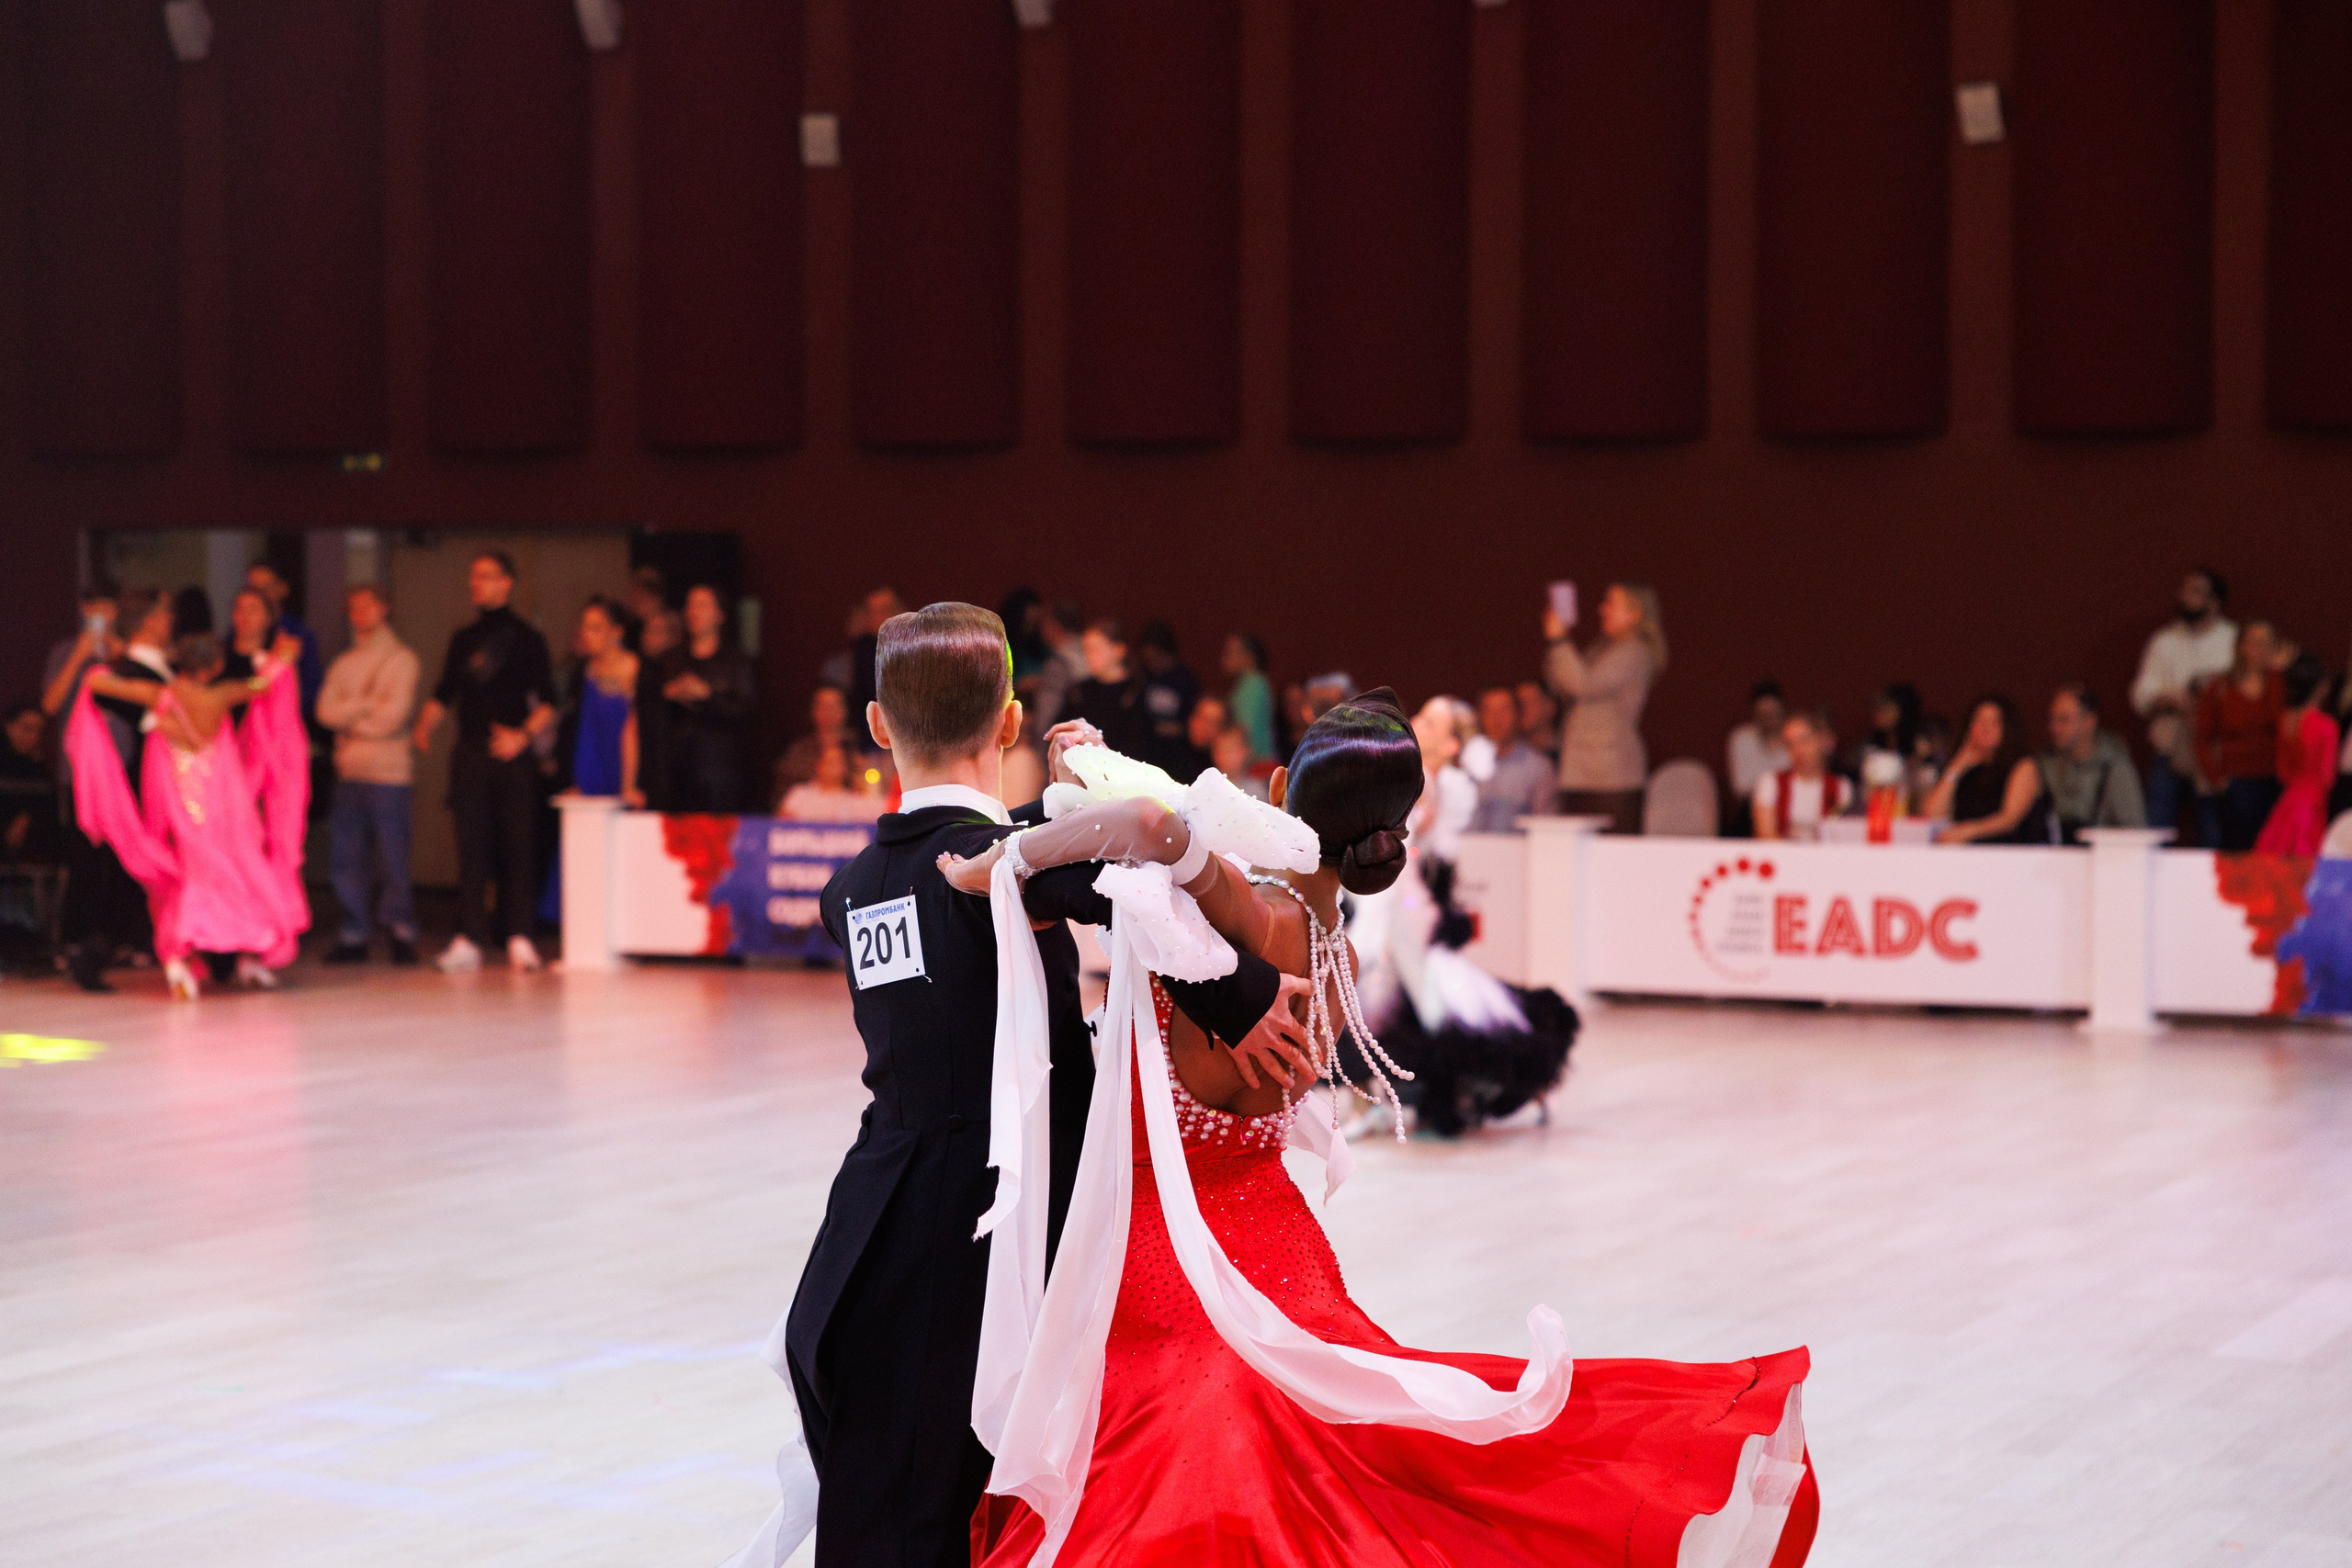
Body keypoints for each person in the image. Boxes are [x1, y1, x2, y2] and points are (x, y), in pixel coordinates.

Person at [944, 691, 1812, 1566]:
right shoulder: (1335, 950)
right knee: (1349, 1470)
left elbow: (1144, 820)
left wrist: (997, 863)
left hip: (1175, 1261)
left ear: (1277, 788)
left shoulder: (1254, 918)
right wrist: (1084, 769)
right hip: (1279, 1243)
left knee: (1187, 1493)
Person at [734, 604, 1309, 1568]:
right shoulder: (1005, 863)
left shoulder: (848, 892)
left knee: (877, 1509)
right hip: (978, 1242)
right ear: (1007, 724)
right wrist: (1247, 998)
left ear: (877, 725)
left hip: (861, 1228)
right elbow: (1145, 870)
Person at [71, 629, 310, 999]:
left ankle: (178, 960)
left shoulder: (159, 695)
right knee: (236, 869)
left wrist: (96, 670)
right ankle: (248, 955)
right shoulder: (222, 695)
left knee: (188, 875)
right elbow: (264, 683)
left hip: (178, 803)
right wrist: (284, 659)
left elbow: (106, 686)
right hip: (222, 803)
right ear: (214, 667)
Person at [413, 550, 557, 974]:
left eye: (487, 576)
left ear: (507, 583)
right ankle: (469, 936)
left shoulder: (529, 639)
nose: (477, 584)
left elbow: (548, 701)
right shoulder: (463, 639)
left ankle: (520, 937)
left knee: (518, 846)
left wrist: (522, 737)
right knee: (471, 846)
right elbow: (445, 692)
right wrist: (425, 725)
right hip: (471, 752)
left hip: (512, 754)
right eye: (474, 576)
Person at [41, 587, 167, 991]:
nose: (99, 614)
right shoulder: (67, 651)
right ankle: (77, 943)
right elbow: (50, 705)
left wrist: (117, 657)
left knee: (125, 859)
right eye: (91, 607)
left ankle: (121, 941)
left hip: (125, 772)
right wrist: (81, 655)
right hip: (79, 774)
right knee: (85, 859)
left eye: (106, 607)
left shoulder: (125, 656)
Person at [315, 584, 422, 965]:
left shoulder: (401, 659)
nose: (359, 613)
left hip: (389, 773)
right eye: (353, 607)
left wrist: (350, 724)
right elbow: (325, 712)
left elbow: (394, 716)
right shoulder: (343, 663)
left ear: (383, 608)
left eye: (367, 606)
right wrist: (364, 707)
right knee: (347, 856)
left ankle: (400, 931)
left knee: (393, 856)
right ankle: (354, 932)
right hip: (350, 772)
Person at [537, 597, 639, 926]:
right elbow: (584, 729)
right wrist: (578, 777)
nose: (587, 634)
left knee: (623, 856)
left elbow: (631, 730)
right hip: (592, 770)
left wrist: (629, 784)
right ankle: (584, 927)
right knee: (583, 852)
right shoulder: (586, 671)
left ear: (616, 632)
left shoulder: (633, 668)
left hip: (621, 769)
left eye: (596, 627)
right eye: (585, 627)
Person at [1544, 581, 1666, 835]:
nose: (1602, 610)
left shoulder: (1634, 652)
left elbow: (1584, 685)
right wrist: (1559, 645)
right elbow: (1562, 686)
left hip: (1610, 780)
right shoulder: (1602, 650)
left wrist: (1559, 641)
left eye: (1611, 604)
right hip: (1581, 773)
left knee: (1612, 859)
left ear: (1634, 614)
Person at [2131, 569, 2237, 843]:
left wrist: (2208, 697)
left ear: (2214, 603)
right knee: (2156, 828)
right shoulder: (2164, 642)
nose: (2186, 597)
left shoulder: (2232, 640)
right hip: (2170, 747)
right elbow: (2141, 696)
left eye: (2196, 591)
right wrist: (2170, 699)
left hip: (2215, 751)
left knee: (2211, 830)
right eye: (2185, 590)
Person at [656, 583, 755, 811]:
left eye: (702, 605)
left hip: (720, 773)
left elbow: (744, 710)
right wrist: (668, 694)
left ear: (719, 614)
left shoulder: (735, 661)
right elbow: (651, 711)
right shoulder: (671, 660)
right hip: (677, 770)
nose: (694, 612)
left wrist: (707, 695)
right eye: (690, 605)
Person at [2196, 620, 2287, 852]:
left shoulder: (2281, 683)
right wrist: (2217, 779)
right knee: (2238, 850)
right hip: (2236, 783)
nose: (2261, 650)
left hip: (2275, 780)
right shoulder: (2221, 687)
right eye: (2255, 643)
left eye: (2267, 643)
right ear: (2241, 647)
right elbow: (2202, 737)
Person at [2023, 684, 2146, 844]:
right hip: (2055, 860)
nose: (2055, 728)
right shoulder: (2047, 764)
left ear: (2089, 721)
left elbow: (2135, 830)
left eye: (2064, 719)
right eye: (2053, 719)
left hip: (2102, 859)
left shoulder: (2114, 768)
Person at [2256, 656, 2339, 856]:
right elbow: (2326, 777)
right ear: (2321, 687)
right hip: (2311, 805)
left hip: (2288, 801)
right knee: (2304, 864)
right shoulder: (2326, 726)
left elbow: (2283, 770)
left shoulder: (2286, 720)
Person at [1926, 696, 2039, 844]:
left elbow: (2009, 819)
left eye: (1994, 723)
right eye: (1979, 721)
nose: (1985, 728)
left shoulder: (2023, 765)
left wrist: (1966, 831)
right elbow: (1932, 815)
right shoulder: (1965, 770)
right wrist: (1957, 766)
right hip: (1966, 855)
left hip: (2010, 853)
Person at [1752, 709, 1851, 841]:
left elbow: (1841, 837)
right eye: (1790, 744)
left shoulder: (1840, 787)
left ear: (1822, 740)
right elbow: (1766, 837)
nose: (1798, 750)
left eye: (1804, 741)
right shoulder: (1770, 783)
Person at [1465, 685, 1555, 832]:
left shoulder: (1538, 767)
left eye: (1504, 710)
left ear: (1518, 715)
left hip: (1518, 852)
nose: (1496, 719)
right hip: (1469, 849)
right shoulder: (1467, 763)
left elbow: (1545, 824)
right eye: (1489, 711)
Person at [244, 561, 323, 716]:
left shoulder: (295, 634)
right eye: (253, 589)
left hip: (280, 719)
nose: (260, 595)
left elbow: (309, 689)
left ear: (282, 589)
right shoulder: (237, 631)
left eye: (266, 589)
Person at [1069, 617, 1152, 757]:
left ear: (1119, 650)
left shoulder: (1138, 691)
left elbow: (1141, 742)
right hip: (1085, 767)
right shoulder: (1081, 691)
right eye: (1086, 650)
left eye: (1095, 649)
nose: (1089, 656)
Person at [1134, 620, 1201, 777]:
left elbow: (1196, 721)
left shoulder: (1185, 679)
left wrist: (1181, 728)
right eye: (1148, 658)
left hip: (1180, 755)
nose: (1153, 663)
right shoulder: (1144, 678)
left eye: (1157, 656)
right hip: (1150, 753)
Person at [1724, 681, 1790, 836]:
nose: (1769, 719)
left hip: (1790, 809)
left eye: (1774, 713)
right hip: (1751, 811)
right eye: (1763, 715)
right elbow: (1742, 786)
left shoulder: (1793, 739)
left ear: (1783, 711)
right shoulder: (1742, 738)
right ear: (1754, 714)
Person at [777, 684, 861, 795]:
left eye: (834, 706)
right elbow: (783, 790)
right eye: (824, 706)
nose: (829, 713)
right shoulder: (799, 750)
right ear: (814, 711)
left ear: (844, 711)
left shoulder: (857, 747)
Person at [778, 745, 890, 824]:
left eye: (838, 762)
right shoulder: (800, 794)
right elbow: (780, 827)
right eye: (830, 762)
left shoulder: (852, 800)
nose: (833, 767)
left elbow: (881, 812)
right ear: (819, 765)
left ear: (844, 769)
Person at [1221, 632, 1276, 761]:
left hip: (1256, 765)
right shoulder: (1245, 684)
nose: (1225, 657)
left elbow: (1245, 729)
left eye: (1230, 652)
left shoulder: (1254, 684)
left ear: (1249, 656)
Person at [1209, 724, 1269, 801]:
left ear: (1246, 751)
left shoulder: (1258, 791)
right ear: (1214, 754)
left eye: (1232, 750)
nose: (1228, 756)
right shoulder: (1207, 789)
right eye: (1223, 750)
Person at [1516, 678, 1560, 764]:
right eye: (1519, 703)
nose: (1522, 709)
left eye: (1530, 702)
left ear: (1550, 707)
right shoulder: (1510, 755)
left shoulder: (1569, 752)